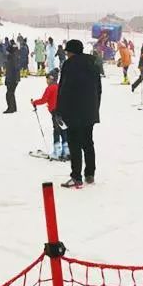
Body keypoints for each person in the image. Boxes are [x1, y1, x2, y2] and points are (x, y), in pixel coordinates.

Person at [57, 40, 101, 189]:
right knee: (88, 143)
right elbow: (98, 90)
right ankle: (90, 174)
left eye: (67, 51)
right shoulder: (93, 64)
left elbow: (64, 89)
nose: (67, 54)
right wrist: (95, 108)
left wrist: (59, 110)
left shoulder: (69, 65)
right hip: (89, 111)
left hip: (73, 111)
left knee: (74, 144)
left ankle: (76, 177)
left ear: (71, 52)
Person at [32, 72, 69, 160]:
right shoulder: (60, 86)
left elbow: (44, 99)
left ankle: (57, 152)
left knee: (56, 131)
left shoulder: (50, 88)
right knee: (64, 131)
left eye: (48, 79)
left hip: (55, 112)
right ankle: (66, 151)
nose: (47, 81)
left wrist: (34, 102)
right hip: (63, 112)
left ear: (52, 79)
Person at [4, 42, 21, 114]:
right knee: (11, 93)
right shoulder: (12, 57)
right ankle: (13, 107)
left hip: (12, 79)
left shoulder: (13, 58)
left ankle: (11, 108)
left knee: (9, 94)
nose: (6, 53)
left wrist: (16, 79)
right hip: (11, 78)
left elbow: (16, 69)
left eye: (7, 51)